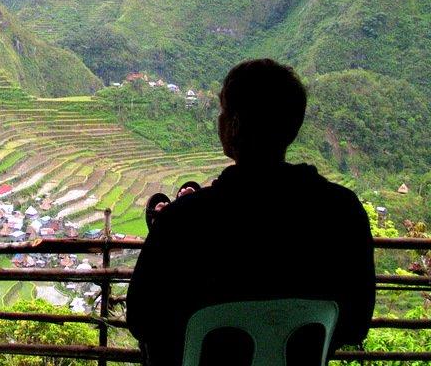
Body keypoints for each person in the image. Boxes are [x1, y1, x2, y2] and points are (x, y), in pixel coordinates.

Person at [127, 59, 375, 365]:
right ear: (292, 126)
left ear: (233, 126)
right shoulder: (343, 212)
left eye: (223, 112)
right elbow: (355, 325)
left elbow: (141, 320)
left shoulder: (183, 221)